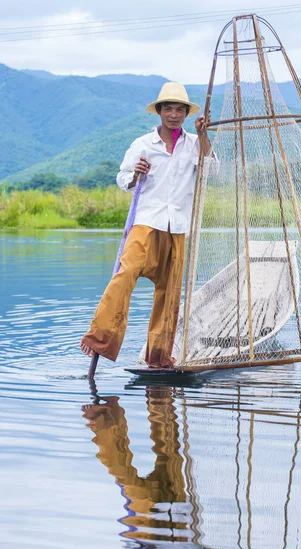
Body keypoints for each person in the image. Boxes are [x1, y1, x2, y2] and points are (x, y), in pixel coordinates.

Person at [80, 82, 214, 368]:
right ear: (160, 111)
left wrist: (204, 135)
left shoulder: (193, 144)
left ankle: (159, 356)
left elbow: (211, 169)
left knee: (169, 292)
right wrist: (135, 174)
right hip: (146, 222)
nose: (174, 115)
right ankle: (100, 337)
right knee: (126, 274)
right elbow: (122, 178)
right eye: (169, 108)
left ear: (186, 114)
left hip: (177, 225)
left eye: (180, 109)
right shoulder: (143, 144)